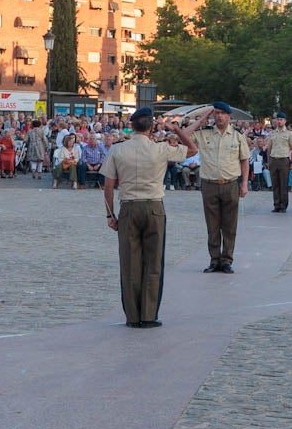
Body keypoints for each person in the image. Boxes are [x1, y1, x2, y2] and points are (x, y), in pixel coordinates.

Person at [102, 109, 198, 328]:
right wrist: (177, 130)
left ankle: (132, 316)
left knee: (129, 263)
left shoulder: (117, 150)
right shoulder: (161, 149)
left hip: (128, 208)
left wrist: (109, 214)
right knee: (153, 262)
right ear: (151, 127)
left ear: (132, 125)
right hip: (154, 207)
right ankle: (149, 314)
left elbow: (108, 185)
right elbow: (193, 149)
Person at [193, 101, 249, 273]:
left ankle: (226, 260)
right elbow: (183, 135)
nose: (218, 116)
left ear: (229, 116)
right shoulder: (204, 134)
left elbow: (244, 160)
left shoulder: (237, 136)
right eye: (215, 113)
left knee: (230, 225)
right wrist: (201, 120)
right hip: (209, 184)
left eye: (222, 113)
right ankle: (214, 259)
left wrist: (244, 183)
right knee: (212, 225)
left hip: (230, 184)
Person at [266, 112, 292, 212]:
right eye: (278, 119)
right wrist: (268, 161)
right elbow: (269, 148)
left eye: (281, 119)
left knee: (283, 184)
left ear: (285, 121)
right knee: (275, 184)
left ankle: (283, 205)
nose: (279, 121)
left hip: (284, 160)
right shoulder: (272, 133)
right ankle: (276, 204)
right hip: (274, 159)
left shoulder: (289, 133)